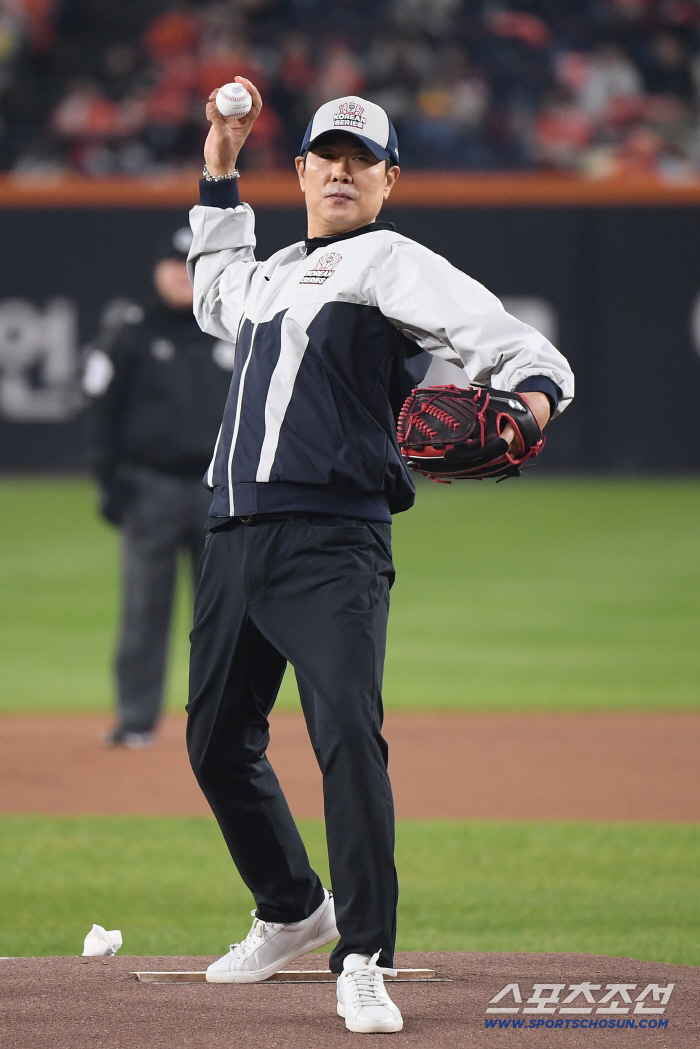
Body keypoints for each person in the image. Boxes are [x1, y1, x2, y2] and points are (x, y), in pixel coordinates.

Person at [186, 80, 574, 1034]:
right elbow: (211, 290)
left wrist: (529, 404)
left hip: (330, 541)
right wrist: (220, 165)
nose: (343, 171)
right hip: (235, 534)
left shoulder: (392, 263)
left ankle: (364, 955)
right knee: (212, 743)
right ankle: (290, 908)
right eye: (329, 156)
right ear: (305, 170)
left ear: (389, 180)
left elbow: (523, 348)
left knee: (347, 739)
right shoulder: (271, 271)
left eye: (363, 160)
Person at [83, 227, 235, 748]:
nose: (178, 271)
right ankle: (136, 719)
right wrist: (109, 482)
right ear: (156, 269)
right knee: (145, 609)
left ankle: (225, 724)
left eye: (188, 262)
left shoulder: (229, 328)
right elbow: (102, 412)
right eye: (171, 261)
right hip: (152, 489)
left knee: (223, 614)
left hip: (220, 492)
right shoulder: (130, 331)